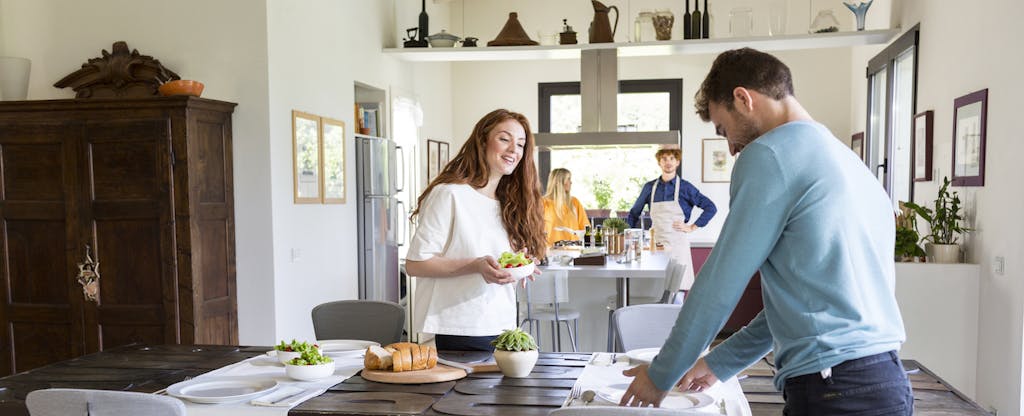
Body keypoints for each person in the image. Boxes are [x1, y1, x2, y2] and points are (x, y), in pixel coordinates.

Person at [619, 48, 912, 414]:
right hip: (886, 382)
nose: (731, 147)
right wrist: (718, 363)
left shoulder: (769, 155)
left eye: (724, 129)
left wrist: (661, 375)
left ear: (743, 99)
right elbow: (799, 308)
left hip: (833, 389)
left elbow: (717, 288)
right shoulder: (850, 164)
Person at [405, 109, 546, 352]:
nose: (514, 149)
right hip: (460, 326)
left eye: (521, 144)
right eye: (504, 139)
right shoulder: (450, 194)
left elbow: (493, 257)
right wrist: (476, 265)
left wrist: (519, 266)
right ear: (482, 141)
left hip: (500, 323)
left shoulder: (508, 202)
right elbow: (416, 264)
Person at [626, 147, 717, 292]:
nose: (668, 162)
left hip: (678, 246)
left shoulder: (686, 188)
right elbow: (634, 213)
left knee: (677, 290)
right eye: (664, 159)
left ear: (677, 162)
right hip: (656, 246)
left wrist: (692, 227)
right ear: (659, 163)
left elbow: (710, 207)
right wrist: (627, 236)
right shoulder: (649, 187)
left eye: (672, 159)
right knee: (655, 290)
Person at [542, 168, 590, 247]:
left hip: (574, 251)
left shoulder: (574, 202)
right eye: (568, 179)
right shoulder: (543, 203)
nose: (571, 182)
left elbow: (586, 228)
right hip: (551, 252)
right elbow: (536, 230)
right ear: (559, 182)